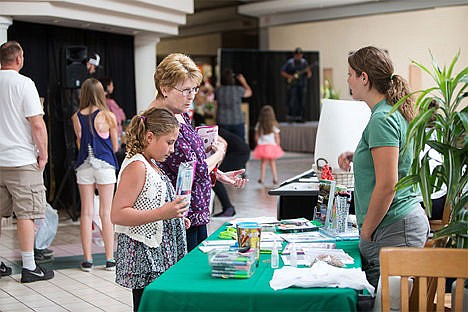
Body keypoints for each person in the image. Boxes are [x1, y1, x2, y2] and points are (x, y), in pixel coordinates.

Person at [337, 46, 430, 288]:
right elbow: (398, 161)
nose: (348, 80)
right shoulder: (391, 112)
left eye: (350, 74)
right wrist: (359, 155)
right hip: (397, 225)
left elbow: (388, 185)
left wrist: (366, 231)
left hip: (393, 227)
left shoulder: (382, 118)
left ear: (364, 77)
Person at [149, 53, 248, 252]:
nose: (192, 95)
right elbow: (188, 168)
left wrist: (218, 174)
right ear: (164, 89)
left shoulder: (180, 112)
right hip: (177, 217)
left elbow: (192, 159)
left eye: (194, 89)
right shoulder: (157, 119)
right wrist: (219, 153)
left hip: (195, 211)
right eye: (186, 90)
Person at [111, 107, 190, 312]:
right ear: (149, 137)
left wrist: (175, 218)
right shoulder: (137, 166)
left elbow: (151, 203)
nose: (172, 150)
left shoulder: (151, 162)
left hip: (159, 251)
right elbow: (118, 213)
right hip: (145, 255)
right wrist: (163, 214)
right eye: (169, 142)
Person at [0, 40, 54, 283]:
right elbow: (37, 123)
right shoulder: (24, 84)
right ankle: (30, 267)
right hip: (21, 160)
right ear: (19, 59)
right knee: (26, 214)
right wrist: (43, 154)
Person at [71, 78, 119, 272]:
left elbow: (79, 142)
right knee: (106, 212)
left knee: (86, 212)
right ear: (101, 94)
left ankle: (88, 260)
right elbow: (115, 146)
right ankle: (109, 259)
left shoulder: (76, 116)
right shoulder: (108, 116)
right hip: (105, 165)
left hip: (84, 165)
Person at [212, 127, 251, 217]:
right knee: (213, 175)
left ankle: (228, 208)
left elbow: (224, 144)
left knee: (213, 176)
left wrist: (217, 165)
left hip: (238, 153)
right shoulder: (212, 129)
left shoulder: (208, 131)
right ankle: (228, 208)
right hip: (241, 151)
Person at [215, 68, 252, 141]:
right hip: (237, 121)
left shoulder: (218, 90)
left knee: (223, 144)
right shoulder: (238, 89)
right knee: (239, 143)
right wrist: (243, 81)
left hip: (222, 121)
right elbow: (249, 92)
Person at [253, 105, 284, 185]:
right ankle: (275, 178)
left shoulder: (259, 125)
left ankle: (262, 178)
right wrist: (278, 144)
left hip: (263, 147)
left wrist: (258, 143)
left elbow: (256, 136)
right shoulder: (274, 125)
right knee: (272, 163)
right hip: (272, 146)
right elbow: (277, 137)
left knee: (263, 163)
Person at [280, 47, 311, 122]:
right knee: (292, 101)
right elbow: (282, 72)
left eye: (300, 55)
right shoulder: (290, 62)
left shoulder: (304, 62)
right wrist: (290, 76)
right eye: (297, 55)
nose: (299, 56)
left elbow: (309, 75)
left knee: (302, 101)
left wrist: (307, 72)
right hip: (293, 85)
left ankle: (301, 117)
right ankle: (290, 117)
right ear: (294, 55)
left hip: (302, 85)